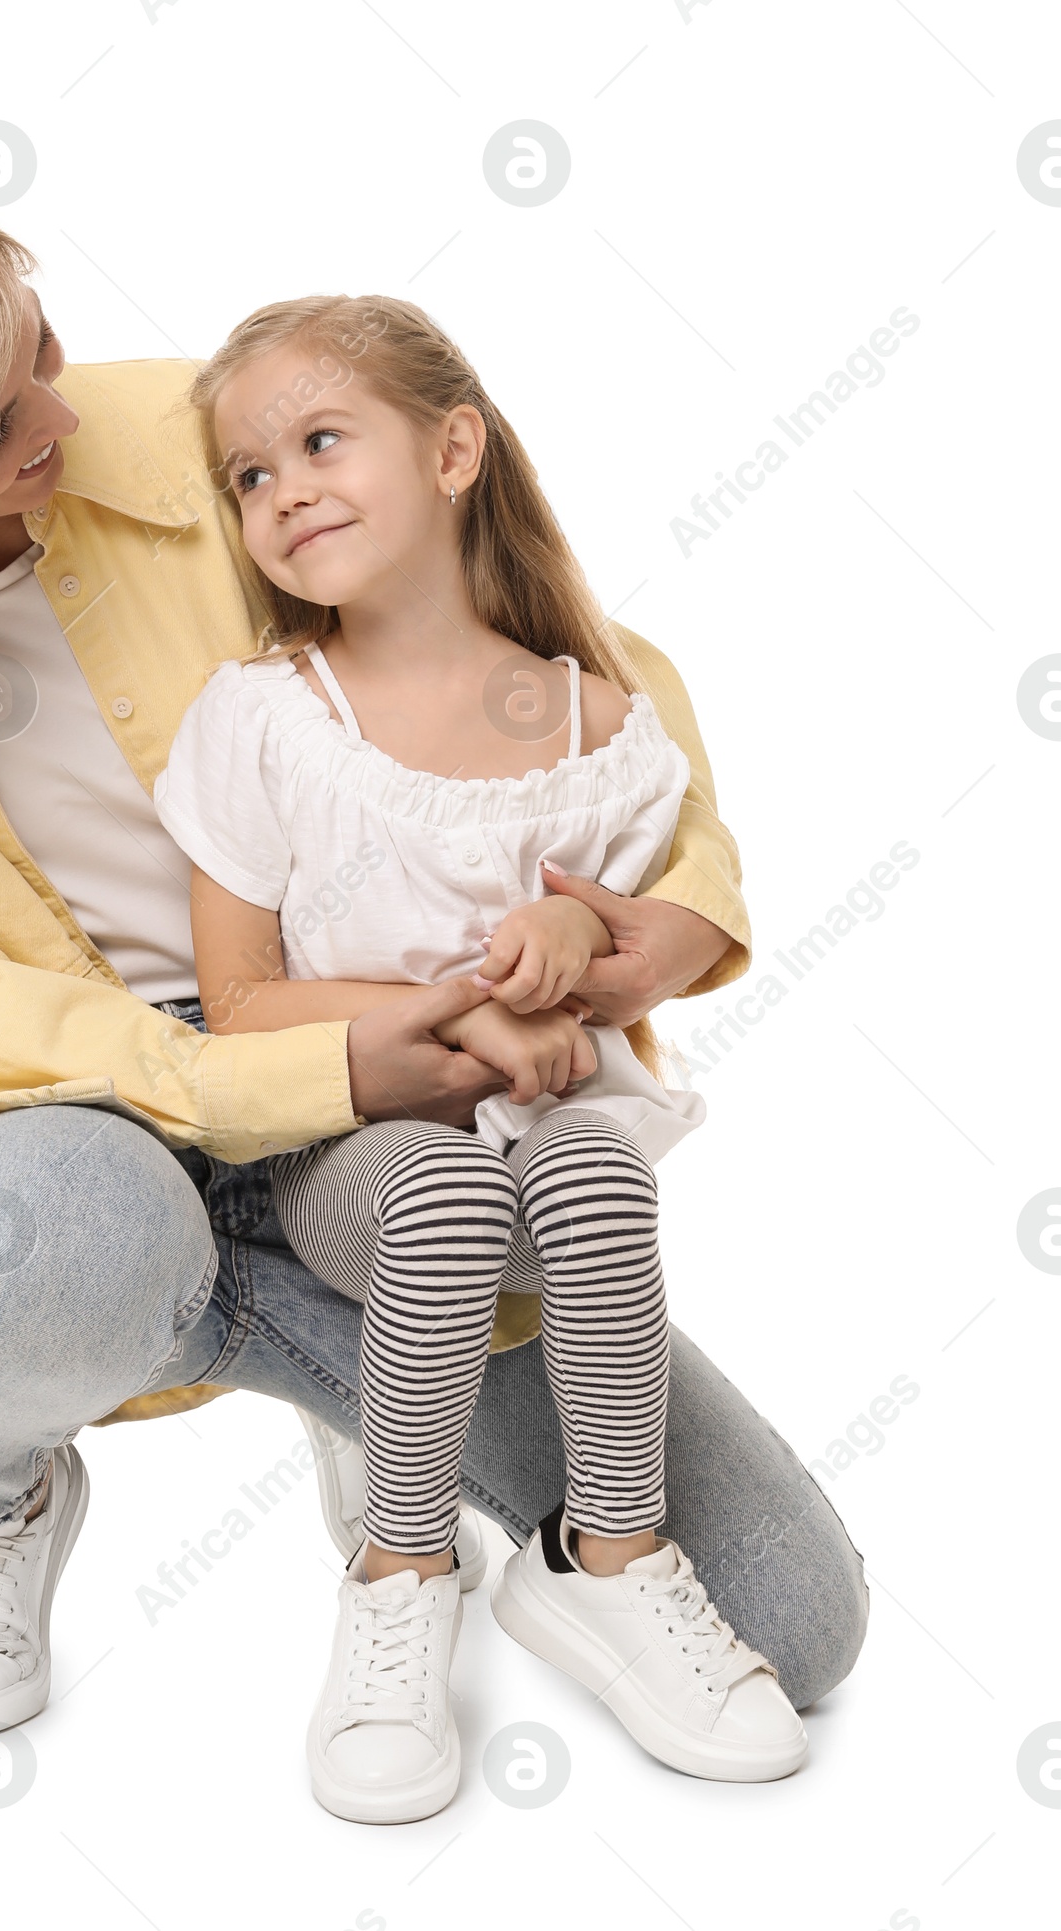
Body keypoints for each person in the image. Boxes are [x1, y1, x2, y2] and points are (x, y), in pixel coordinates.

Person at [0, 173, 865, 1799]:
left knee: (792, 1623)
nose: (56, 414)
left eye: (40, 344)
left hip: (369, 1067)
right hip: (70, 1107)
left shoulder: (210, 434)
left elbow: (567, 672)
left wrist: (665, 923)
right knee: (67, 1244)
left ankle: (411, 1387)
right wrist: (303, 1074)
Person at [154, 295, 806, 1821]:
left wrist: (580, 948)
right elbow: (238, 1003)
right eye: (249, 474)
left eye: (322, 442)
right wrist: (463, 1016)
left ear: (455, 450)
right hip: (356, 1143)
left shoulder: (591, 719)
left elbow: (634, 930)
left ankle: (608, 1554)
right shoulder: (263, 721)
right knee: (445, 1192)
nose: (285, 489)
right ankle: (401, 1567)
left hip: (551, 1126)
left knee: (595, 1166)